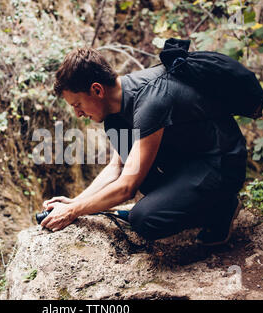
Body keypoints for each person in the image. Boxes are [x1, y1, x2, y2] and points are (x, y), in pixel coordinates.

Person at [40, 47, 247, 245]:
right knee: (117, 128)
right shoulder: (117, 111)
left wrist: (75, 211)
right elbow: (117, 168)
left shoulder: (149, 102)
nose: (78, 113)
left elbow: (127, 188)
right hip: (190, 158)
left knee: (144, 219)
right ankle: (184, 201)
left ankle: (221, 207)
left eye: (77, 104)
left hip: (221, 163)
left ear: (97, 89)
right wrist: (74, 202)